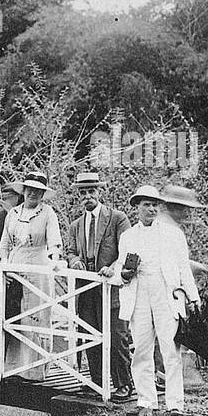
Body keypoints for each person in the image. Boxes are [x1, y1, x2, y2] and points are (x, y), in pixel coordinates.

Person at [105, 185, 199, 416]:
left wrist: (193, 297)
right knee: (142, 349)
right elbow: (120, 269)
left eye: (155, 204)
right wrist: (123, 274)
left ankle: (175, 403)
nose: (152, 209)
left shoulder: (173, 235)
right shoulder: (128, 237)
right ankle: (146, 400)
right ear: (136, 208)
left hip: (166, 294)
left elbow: (183, 268)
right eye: (146, 204)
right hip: (139, 294)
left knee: (171, 349)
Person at [63, 170, 132, 400]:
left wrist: (113, 267)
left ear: (100, 192)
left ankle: (124, 383)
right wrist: (75, 261)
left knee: (117, 335)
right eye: (83, 192)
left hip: (111, 288)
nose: (87, 196)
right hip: (87, 289)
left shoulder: (117, 218)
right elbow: (70, 251)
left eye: (91, 191)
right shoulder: (75, 225)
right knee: (90, 334)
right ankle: (97, 382)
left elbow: (127, 250)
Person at [0, 171, 64, 381]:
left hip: (38, 269)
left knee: (36, 315)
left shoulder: (47, 213)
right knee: (13, 315)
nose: (33, 193)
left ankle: (34, 370)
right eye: (30, 189)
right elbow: (5, 244)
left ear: (42, 194)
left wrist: (54, 260)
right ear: (23, 191)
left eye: (38, 191)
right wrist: (5, 266)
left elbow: (54, 242)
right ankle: (12, 367)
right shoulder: (13, 213)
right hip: (14, 269)